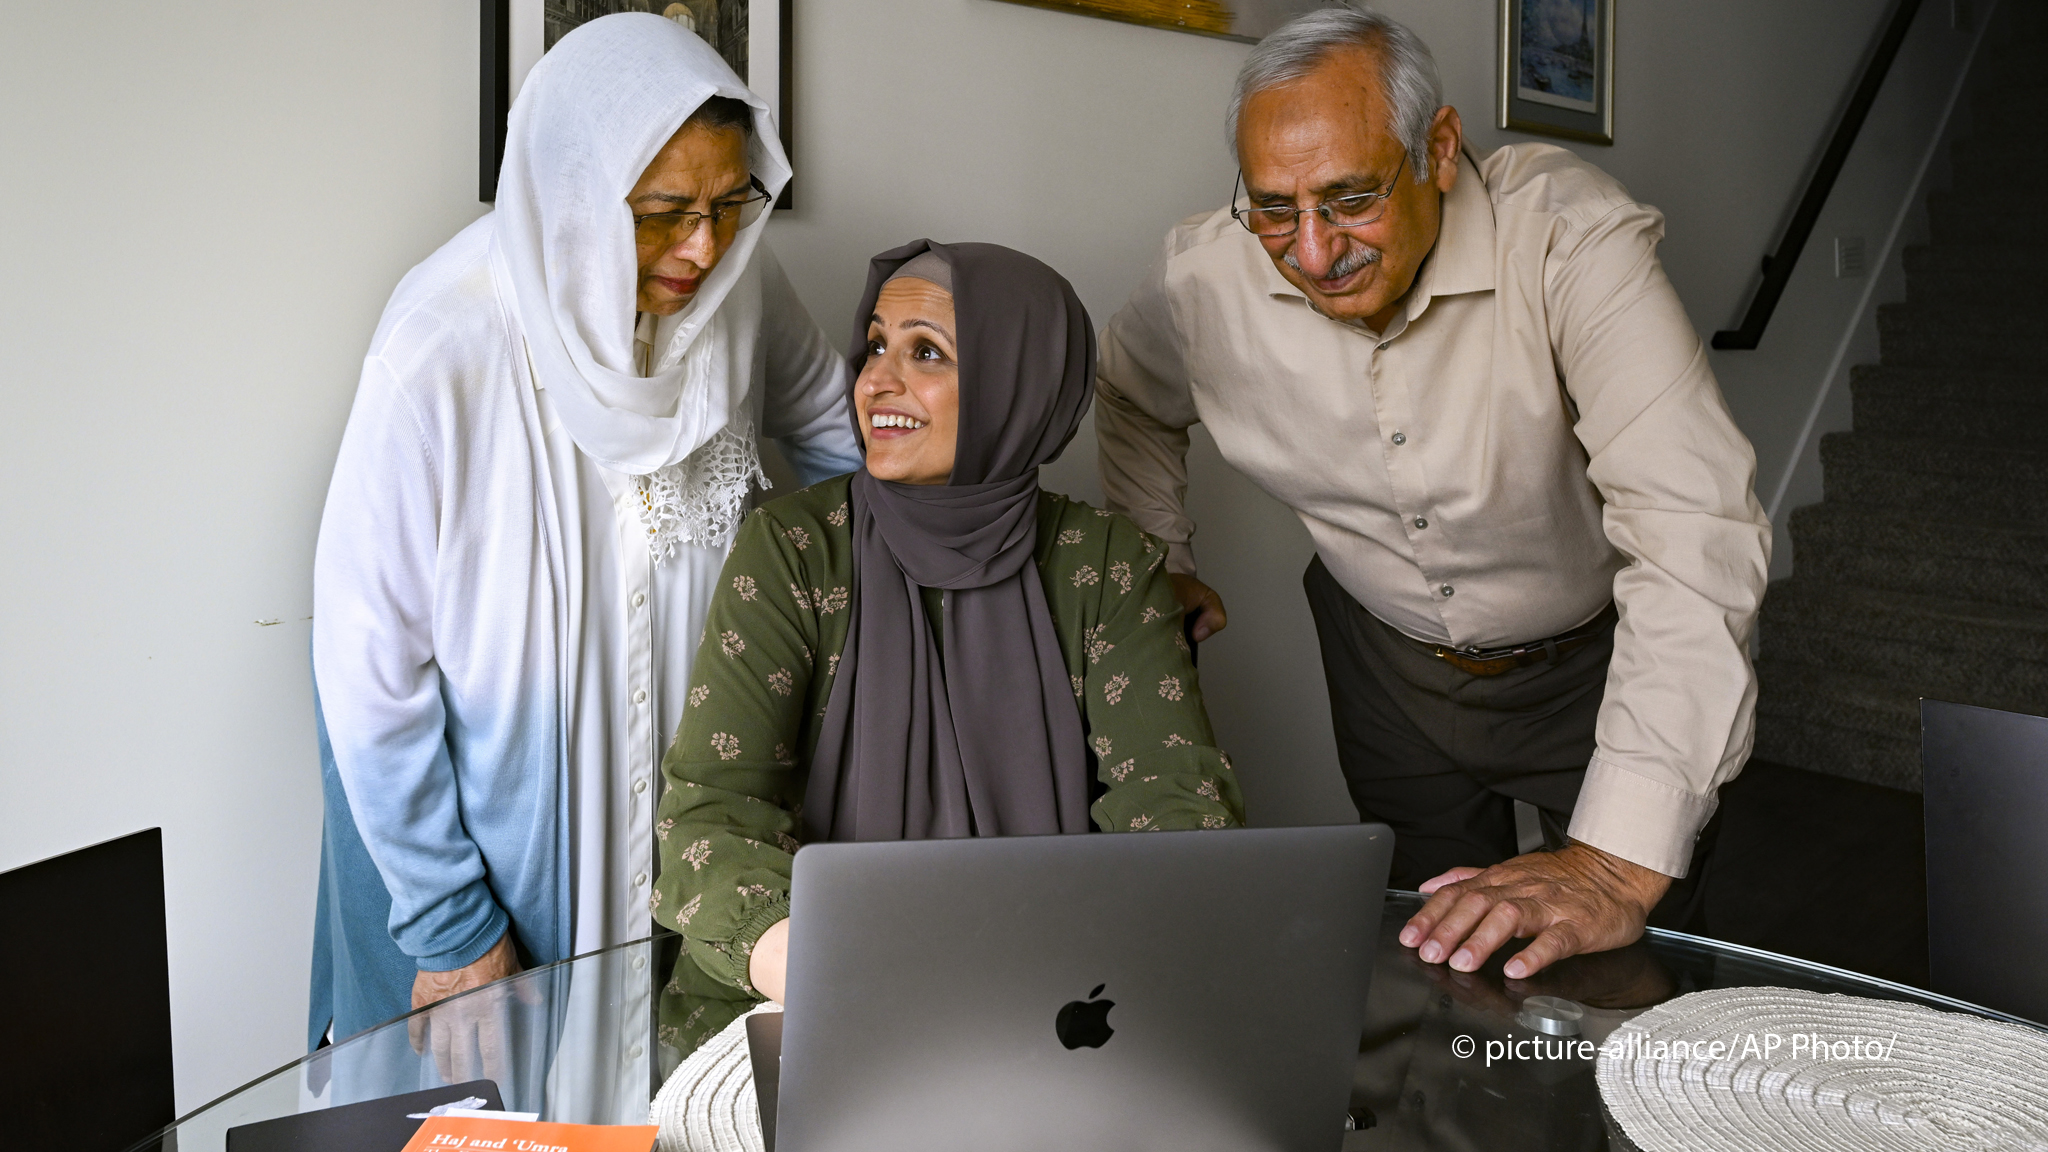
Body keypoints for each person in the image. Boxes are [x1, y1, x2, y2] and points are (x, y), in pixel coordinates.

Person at [1094, 6, 1769, 981]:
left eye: (1350, 198)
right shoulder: (1201, 280)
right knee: (1436, 953)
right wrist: (1162, 557)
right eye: (1275, 209)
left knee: (1631, 965)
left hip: (1589, 664)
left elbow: (1691, 529)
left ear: (1439, 150)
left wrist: (1614, 868)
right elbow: (1126, 392)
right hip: (1383, 671)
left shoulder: (1569, 242)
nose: (1315, 253)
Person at [308, 14, 862, 1047]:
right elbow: (365, 671)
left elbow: (846, 452)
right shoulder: (442, 343)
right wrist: (451, 927)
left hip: (695, 830)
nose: (702, 249)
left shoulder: (742, 292)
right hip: (503, 863)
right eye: (661, 213)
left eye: (730, 206)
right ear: (571, 194)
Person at [650, 241, 1247, 1056]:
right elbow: (710, 820)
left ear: (1017, 384)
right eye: (875, 345)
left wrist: (1045, 988)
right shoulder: (793, 550)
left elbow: (1177, 808)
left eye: (925, 351)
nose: (876, 381)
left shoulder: (1105, 565)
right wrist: (843, 969)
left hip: (1059, 1017)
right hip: (817, 1006)